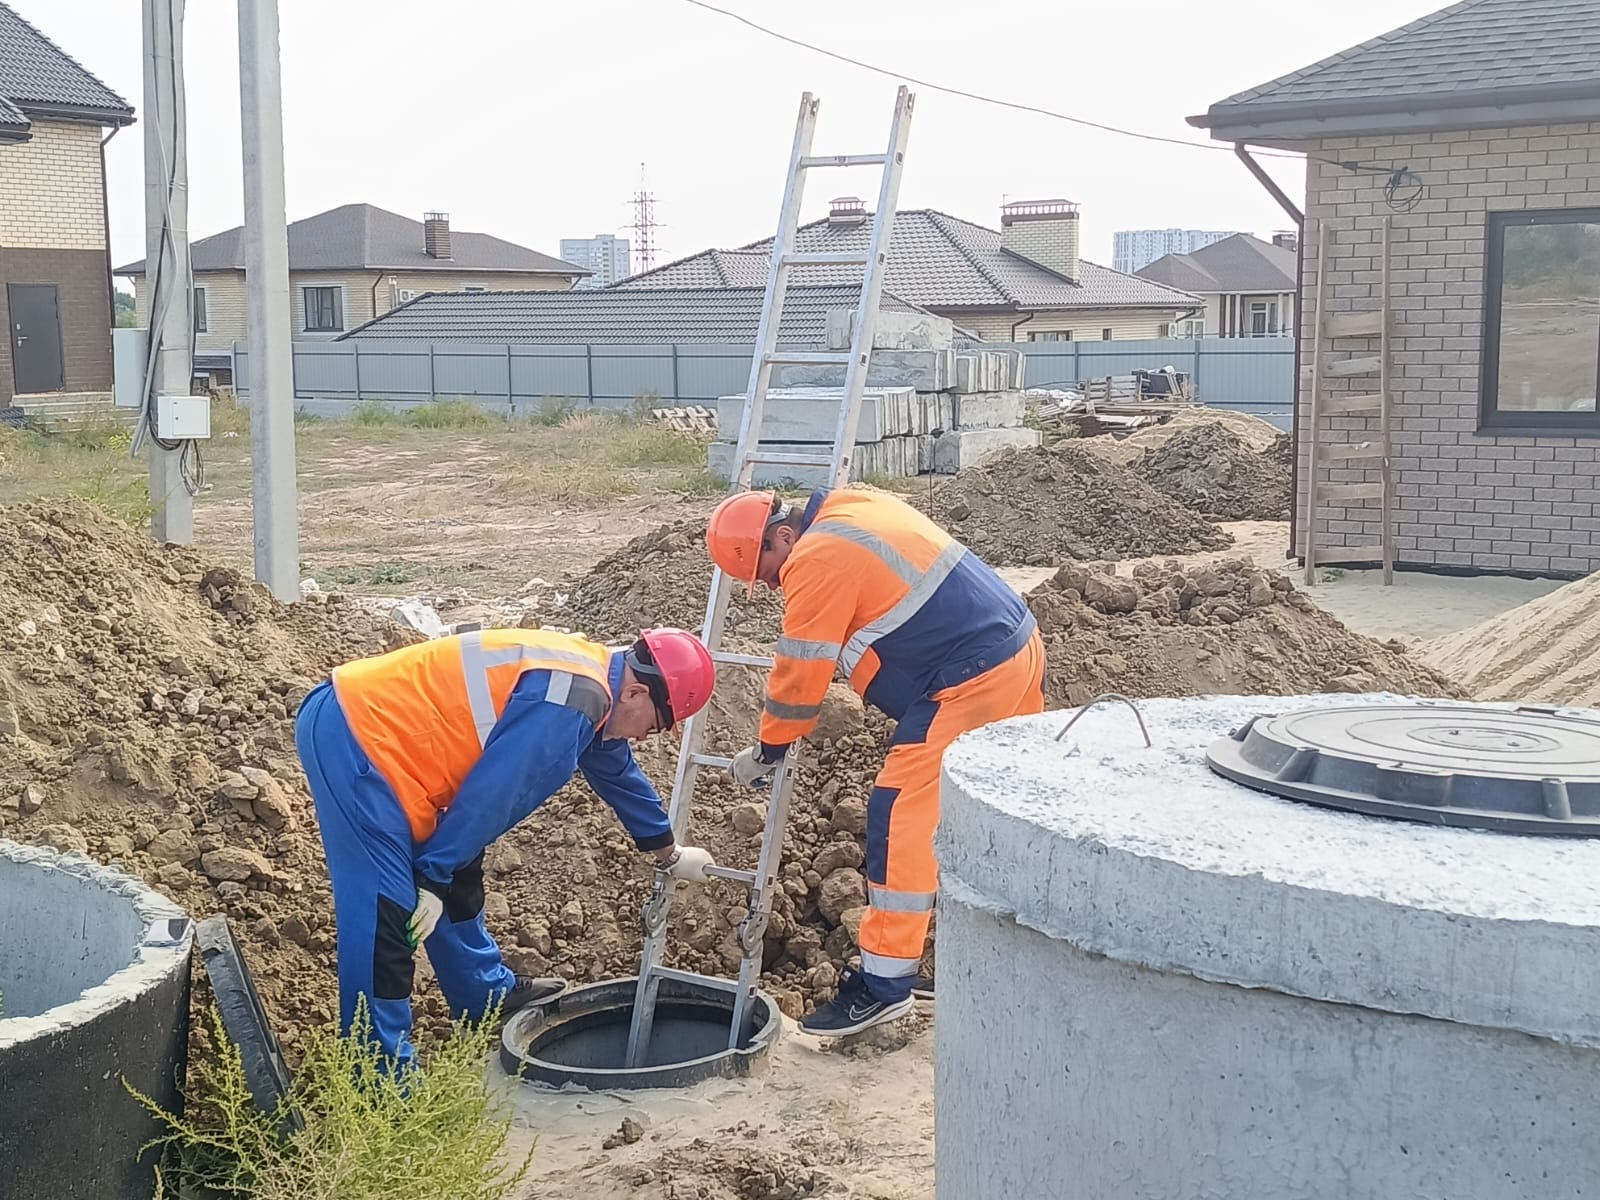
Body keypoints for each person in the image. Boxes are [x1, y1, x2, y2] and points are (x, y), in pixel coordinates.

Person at [295, 625, 719, 1066]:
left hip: (398, 744)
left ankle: (484, 997)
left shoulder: (594, 682)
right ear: (635, 692)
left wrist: (667, 851)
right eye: (653, 727)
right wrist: (434, 876)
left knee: (458, 867)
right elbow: (496, 795)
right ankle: (376, 1077)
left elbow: (616, 771)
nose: (643, 738)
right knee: (385, 910)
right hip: (356, 738)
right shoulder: (569, 701)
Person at [706, 487, 1045, 1036]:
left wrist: (768, 750)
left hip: (969, 678)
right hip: (1016, 651)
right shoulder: (851, 505)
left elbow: (800, 676)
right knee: (989, 814)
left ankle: (885, 987)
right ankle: (1000, 955)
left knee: (898, 814)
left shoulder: (815, 557)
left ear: (784, 537)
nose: (772, 587)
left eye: (767, 573)